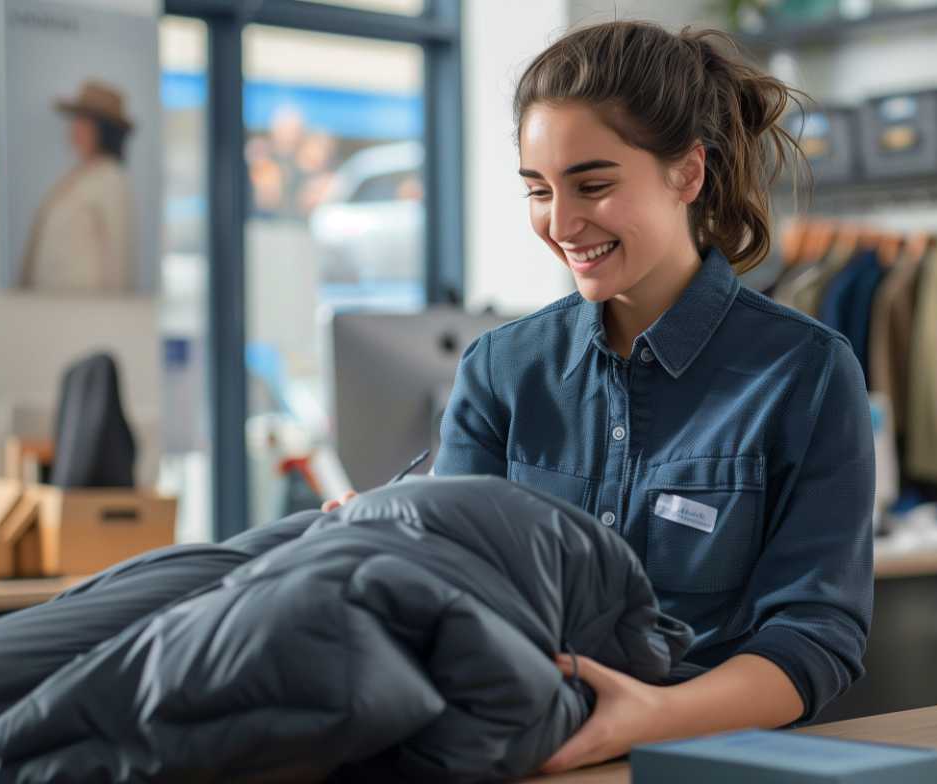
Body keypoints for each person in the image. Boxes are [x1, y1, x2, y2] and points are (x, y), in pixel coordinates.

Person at [325, 21, 873, 774]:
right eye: (539, 190)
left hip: (710, 763)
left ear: (688, 173)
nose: (562, 222)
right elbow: (460, 593)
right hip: (520, 752)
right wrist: (378, 545)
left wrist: (649, 719)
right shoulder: (501, 369)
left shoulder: (804, 373)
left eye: (593, 185)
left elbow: (814, 637)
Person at [19, 80, 138, 293]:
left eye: (84, 123)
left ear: (103, 131)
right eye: (77, 121)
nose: (74, 129)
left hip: (84, 310)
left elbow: (117, 255)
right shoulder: (78, 176)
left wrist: (116, 317)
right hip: (54, 306)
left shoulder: (110, 179)